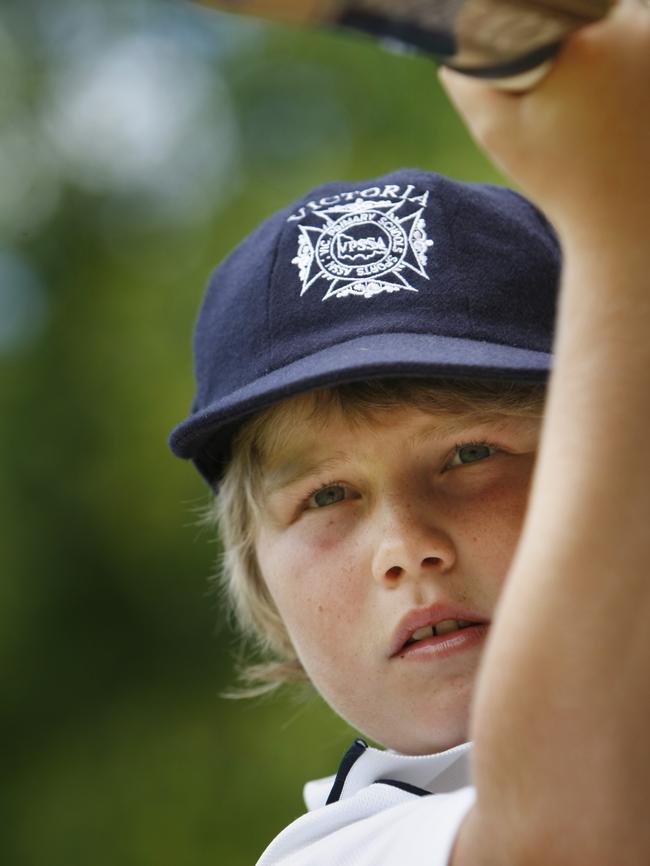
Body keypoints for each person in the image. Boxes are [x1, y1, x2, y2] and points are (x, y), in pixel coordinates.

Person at [169, 1, 650, 863]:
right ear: (265, 590)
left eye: (470, 454)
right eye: (325, 496)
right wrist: (623, 220)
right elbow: (565, 836)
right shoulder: (344, 848)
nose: (407, 546)